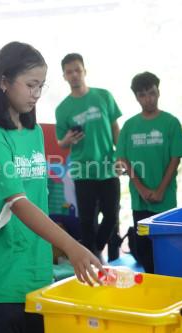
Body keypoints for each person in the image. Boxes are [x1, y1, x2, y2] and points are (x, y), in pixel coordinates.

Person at [0, 41, 103, 333]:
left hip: (35, 268)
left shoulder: (34, 131)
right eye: (30, 85)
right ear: (3, 82)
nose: (36, 94)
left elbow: (38, 199)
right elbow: (19, 202)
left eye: (41, 86)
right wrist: (71, 246)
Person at [55, 53, 122, 261]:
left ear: (85, 71)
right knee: (86, 220)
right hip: (82, 170)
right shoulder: (62, 108)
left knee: (111, 215)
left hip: (108, 167)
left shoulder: (104, 96)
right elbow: (61, 143)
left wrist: (121, 157)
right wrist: (68, 138)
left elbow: (115, 128)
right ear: (64, 76)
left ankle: (95, 250)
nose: (74, 75)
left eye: (77, 70)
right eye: (69, 72)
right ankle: (92, 260)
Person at [116, 72, 182, 273]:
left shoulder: (171, 122)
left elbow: (176, 158)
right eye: (143, 95)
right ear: (136, 97)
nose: (149, 99)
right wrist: (142, 189)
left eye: (152, 93)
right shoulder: (129, 125)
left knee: (168, 248)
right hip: (140, 201)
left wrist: (161, 190)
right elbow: (123, 159)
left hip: (166, 199)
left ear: (158, 91)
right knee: (145, 250)